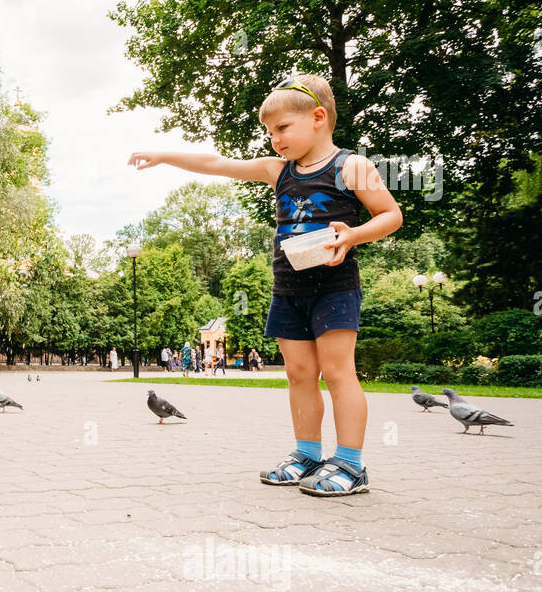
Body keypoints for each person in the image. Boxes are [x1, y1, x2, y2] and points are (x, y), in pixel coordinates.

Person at [129, 73, 402, 496]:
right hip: (287, 288)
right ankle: (307, 454)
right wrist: (163, 155)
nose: (274, 139)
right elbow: (218, 164)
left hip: (335, 286)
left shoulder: (352, 165)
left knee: (337, 373)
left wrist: (352, 235)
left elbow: (390, 215)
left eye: (282, 128)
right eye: (269, 132)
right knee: (298, 373)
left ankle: (349, 464)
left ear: (317, 117)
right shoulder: (278, 171)